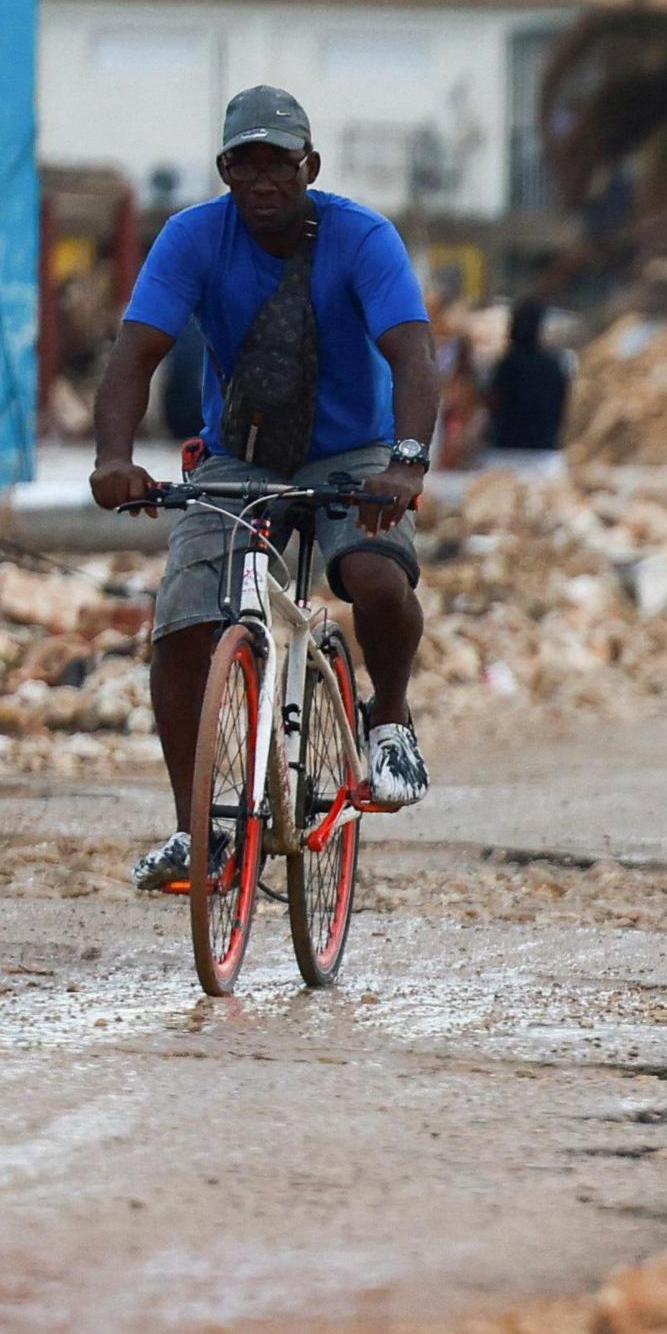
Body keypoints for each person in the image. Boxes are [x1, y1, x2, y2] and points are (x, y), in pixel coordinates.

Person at [89, 85, 440, 896]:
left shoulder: (363, 238)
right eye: (243, 166)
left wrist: (407, 463)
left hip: (353, 455)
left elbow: (414, 356)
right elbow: (133, 357)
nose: (262, 183)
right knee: (182, 627)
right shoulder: (191, 240)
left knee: (377, 580)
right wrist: (113, 458)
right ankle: (195, 834)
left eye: (278, 164)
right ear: (224, 172)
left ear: (308, 166)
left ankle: (388, 720)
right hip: (239, 460)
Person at [486, 297, 572, 460]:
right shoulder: (553, 366)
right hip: (544, 450)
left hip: (506, 451)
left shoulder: (506, 366)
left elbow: (493, 402)